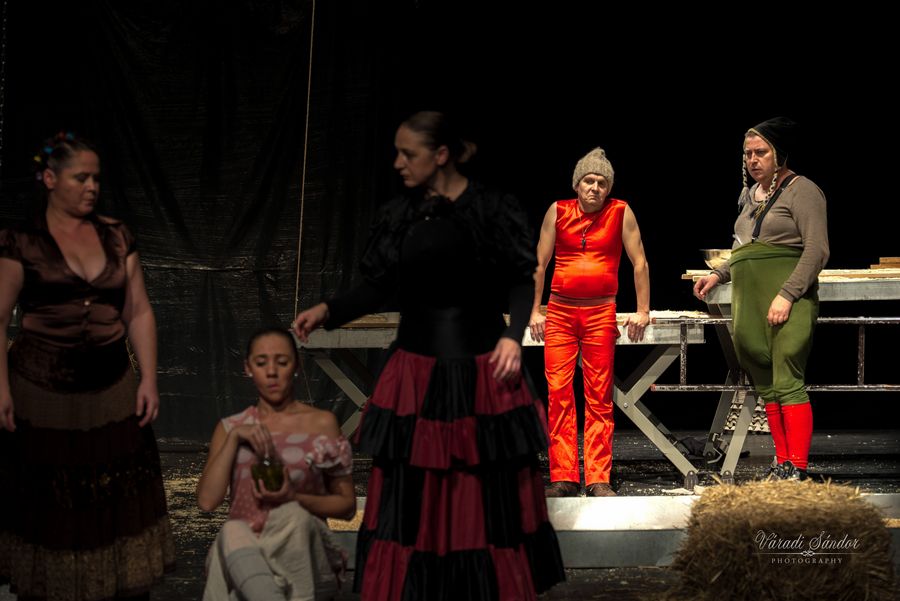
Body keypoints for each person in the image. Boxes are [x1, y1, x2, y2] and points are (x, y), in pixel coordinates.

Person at [293, 111, 564, 600]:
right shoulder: (399, 215)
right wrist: (329, 310)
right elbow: (376, 286)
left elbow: (521, 280)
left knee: (479, 494)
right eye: (396, 152)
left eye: (408, 153)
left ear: (440, 155)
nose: (398, 163)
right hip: (416, 373)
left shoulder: (491, 209)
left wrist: (513, 336)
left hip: (482, 371)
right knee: (415, 494)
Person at [0, 132, 175, 599]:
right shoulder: (21, 241)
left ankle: (109, 586)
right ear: (50, 179)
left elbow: (138, 310)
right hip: (41, 389)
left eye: (96, 178)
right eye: (81, 178)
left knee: (110, 492)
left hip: (111, 385)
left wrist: (150, 378)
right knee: (50, 496)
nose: (92, 187)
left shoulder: (116, 236)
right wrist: (0, 388)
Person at [693, 117, 829, 481]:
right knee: (766, 383)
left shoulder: (803, 191)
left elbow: (817, 250)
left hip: (785, 296)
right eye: (747, 154)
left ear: (779, 153)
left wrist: (787, 294)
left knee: (787, 379)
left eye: (761, 152)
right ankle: (781, 463)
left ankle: (797, 466)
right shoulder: (748, 195)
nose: (752, 160)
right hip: (749, 300)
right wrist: (719, 274)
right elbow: (744, 248)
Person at [197, 327, 355, 601]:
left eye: (282, 362)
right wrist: (235, 438)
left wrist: (294, 497)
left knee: (294, 516)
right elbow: (207, 502)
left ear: (296, 366)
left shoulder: (321, 424)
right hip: (248, 550)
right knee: (233, 530)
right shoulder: (230, 427)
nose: (271, 372)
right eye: (261, 363)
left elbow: (347, 506)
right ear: (248, 368)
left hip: (304, 552)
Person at [529, 147, 650, 498]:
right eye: (588, 181)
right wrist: (534, 310)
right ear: (577, 184)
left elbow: (639, 262)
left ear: (608, 187)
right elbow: (539, 263)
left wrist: (642, 310)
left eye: (601, 182)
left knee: (599, 395)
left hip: (600, 313)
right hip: (560, 312)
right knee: (558, 393)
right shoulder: (558, 210)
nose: (594, 187)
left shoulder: (620, 211)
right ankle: (564, 476)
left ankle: (598, 477)